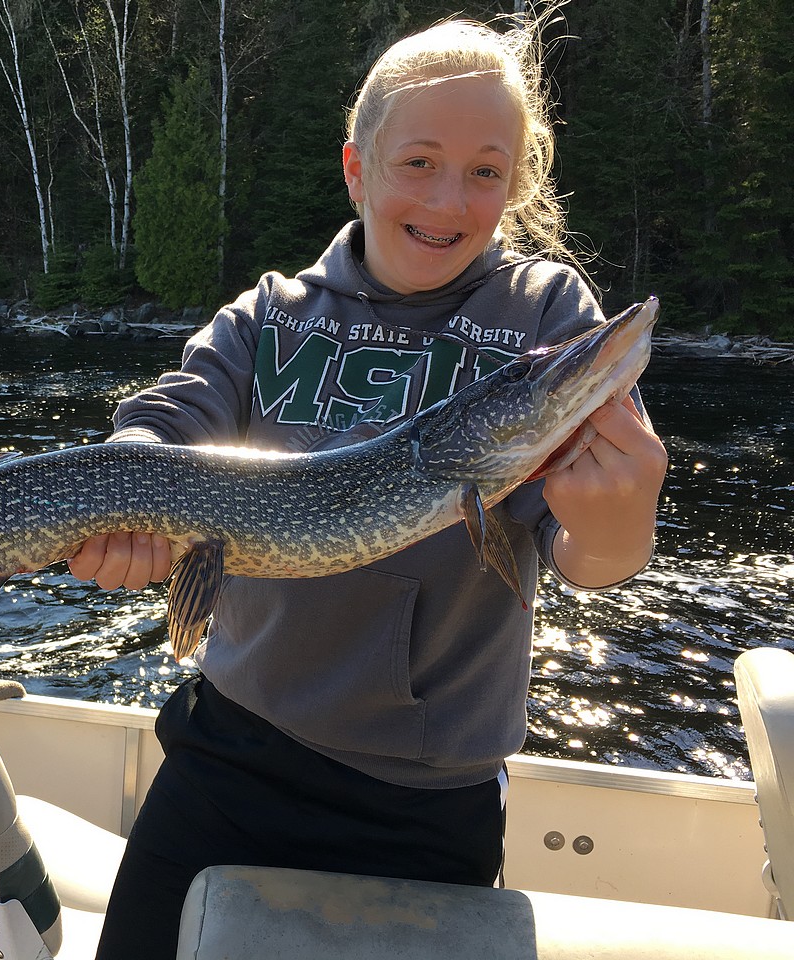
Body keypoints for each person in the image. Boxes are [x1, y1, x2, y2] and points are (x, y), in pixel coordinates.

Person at [70, 15, 668, 960]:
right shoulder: (270, 314)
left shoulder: (545, 315)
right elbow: (170, 418)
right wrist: (124, 491)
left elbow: (587, 558)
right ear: (358, 169)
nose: (449, 197)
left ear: (516, 182)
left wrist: (622, 525)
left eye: (486, 170)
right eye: (419, 162)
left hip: (427, 798)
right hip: (233, 753)